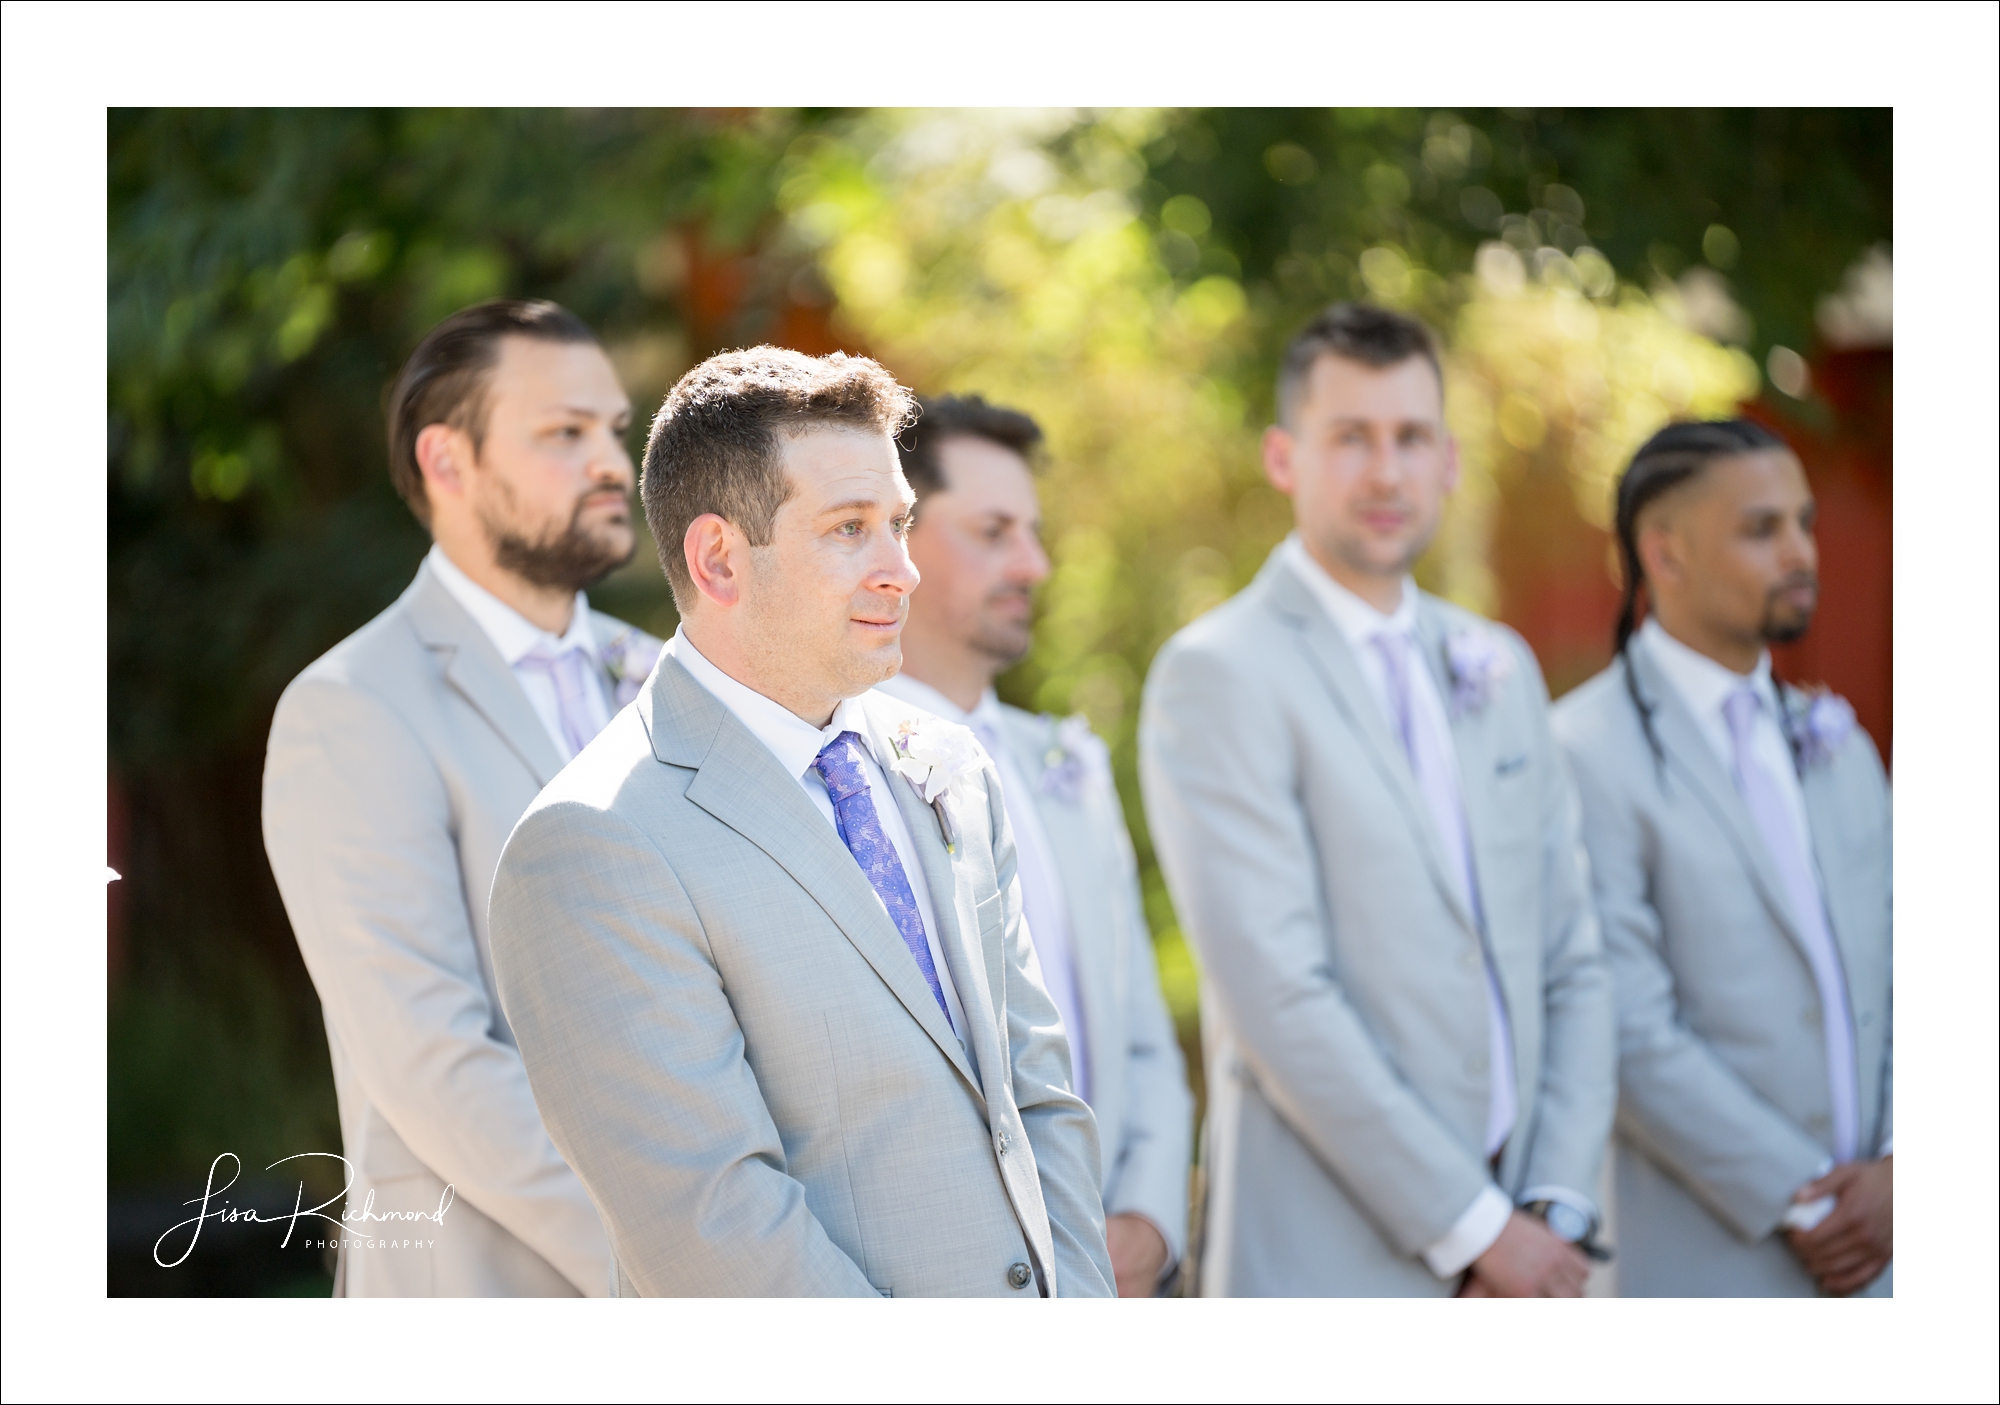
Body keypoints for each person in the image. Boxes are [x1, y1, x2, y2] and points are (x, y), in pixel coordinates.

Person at [485, 348, 1115, 1297]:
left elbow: (1039, 1096)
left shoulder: (952, 768)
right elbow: (715, 1231)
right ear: (719, 559)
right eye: (851, 528)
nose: (903, 570)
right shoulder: (594, 844)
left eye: (899, 523)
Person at [1139, 303, 1615, 1296]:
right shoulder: (1217, 673)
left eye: (1409, 438)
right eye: (1348, 437)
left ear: (1446, 459)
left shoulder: (1500, 666)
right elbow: (1278, 993)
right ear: (1282, 457)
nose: (1385, 471)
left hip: (1534, 1257)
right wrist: (1478, 1230)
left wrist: (1552, 1203)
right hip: (1328, 1261)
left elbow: (1570, 957)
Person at [262, 298, 658, 1296]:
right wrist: (669, 1260)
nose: (611, 461)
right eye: (564, 433)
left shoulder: (672, 684)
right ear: (448, 462)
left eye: (612, 429)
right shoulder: (351, 710)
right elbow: (432, 1058)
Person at [1551, 420, 1892, 1297]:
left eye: (1804, 523)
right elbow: (1625, 1025)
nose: (1800, 551)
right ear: (1664, 553)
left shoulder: (1839, 742)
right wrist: (1813, 1206)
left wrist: (1903, 1168)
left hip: (1892, 1264)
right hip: (1709, 1266)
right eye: (1760, 529)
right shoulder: (1582, 751)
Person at [874, 395, 1193, 1297]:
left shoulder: (1067, 767)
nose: (1035, 564)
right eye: (994, 531)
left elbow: (1142, 1036)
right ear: (897, 536)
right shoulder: (843, 781)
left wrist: (1149, 1224)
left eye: (1035, 533)